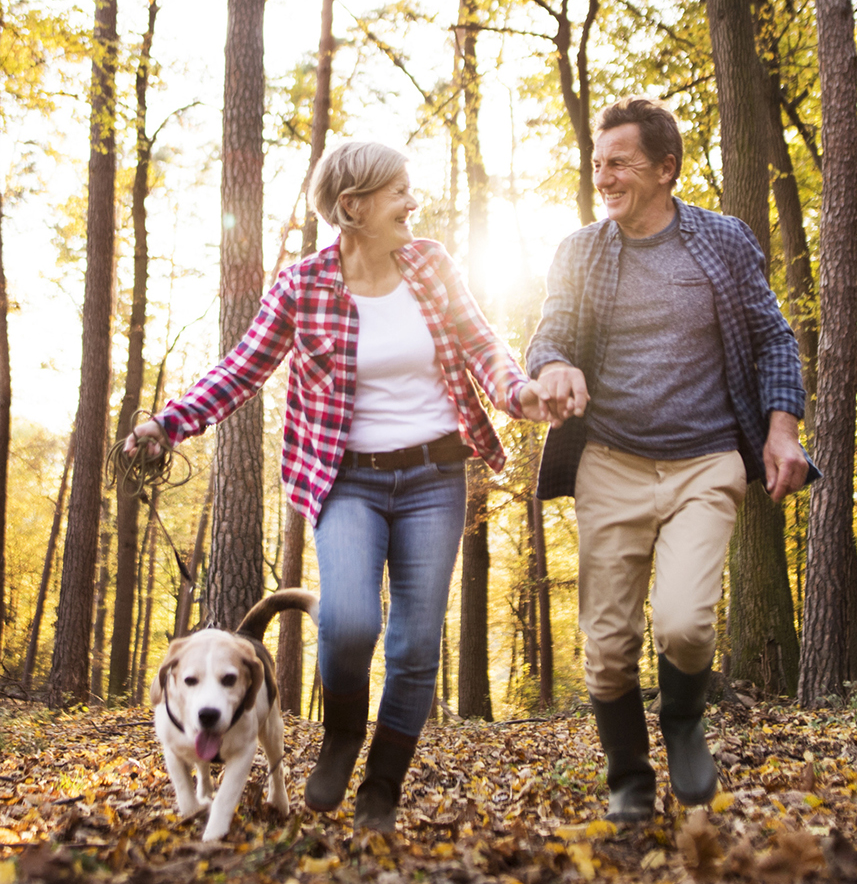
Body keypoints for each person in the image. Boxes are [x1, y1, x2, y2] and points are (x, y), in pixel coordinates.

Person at [129, 139, 547, 831]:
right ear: (353, 207)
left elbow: (483, 346)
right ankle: (345, 733)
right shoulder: (303, 286)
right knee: (349, 623)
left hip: (435, 475)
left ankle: (382, 780)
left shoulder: (432, 265)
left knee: (415, 645)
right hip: (347, 479)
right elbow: (241, 369)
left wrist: (523, 394)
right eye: (398, 193)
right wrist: (167, 424)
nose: (413, 203)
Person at [527, 95, 812, 823]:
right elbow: (551, 331)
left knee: (685, 624)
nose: (606, 176)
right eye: (599, 164)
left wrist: (781, 432)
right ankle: (628, 774)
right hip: (611, 462)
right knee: (609, 642)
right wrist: (555, 365)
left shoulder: (722, 241)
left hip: (705, 461)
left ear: (666, 169)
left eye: (620, 163)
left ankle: (684, 724)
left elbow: (775, 337)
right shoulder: (581, 250)